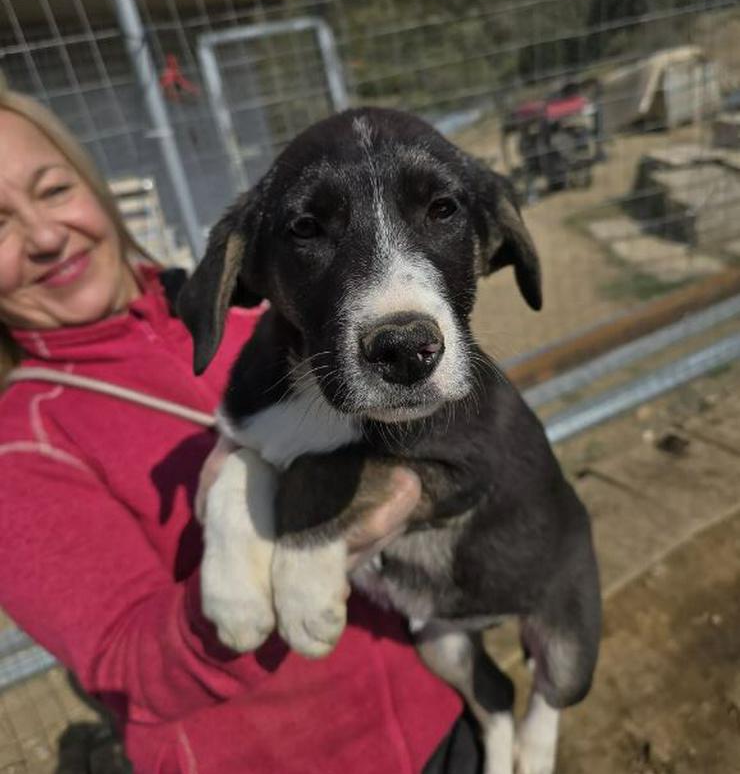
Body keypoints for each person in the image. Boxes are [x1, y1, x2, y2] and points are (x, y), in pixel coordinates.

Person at [0, 87, 474, 773]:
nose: (46, 235)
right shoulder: (20, 446)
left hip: (430, 707)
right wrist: (264, 562)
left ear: (94, 187)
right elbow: (122, 667)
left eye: (54, 188)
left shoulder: (264, 311)